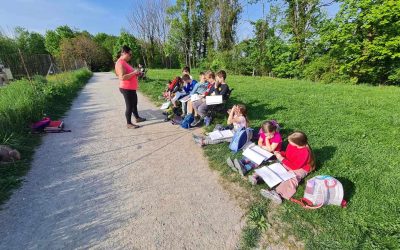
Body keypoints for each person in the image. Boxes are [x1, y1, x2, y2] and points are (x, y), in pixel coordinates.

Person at [259, 131, 315, 204]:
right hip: (290, 162)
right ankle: (259, 176)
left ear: (297, 143)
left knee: (292, 177)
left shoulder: (304, 152)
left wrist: (282, 159)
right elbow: (288, 154)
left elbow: (295, 167)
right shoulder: (292, 145)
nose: (288, 141)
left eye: (290, 141)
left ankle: (278, 193)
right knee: (277, 167)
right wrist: (280, 154)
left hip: (301, 168)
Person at [115, 45, 146, 129]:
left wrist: (136, 73)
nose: (130, 56)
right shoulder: (120, 62)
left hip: (131, 88)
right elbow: (122, 77)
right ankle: (128, 123)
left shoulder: (124, 62)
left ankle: (137, 118)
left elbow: (128, 74)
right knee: (129, 106)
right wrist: (134, 73)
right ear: (124, 53)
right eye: (130, 54)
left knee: (134, 103)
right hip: (126, 88)